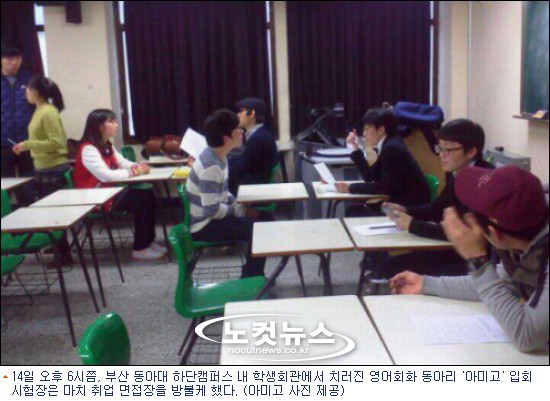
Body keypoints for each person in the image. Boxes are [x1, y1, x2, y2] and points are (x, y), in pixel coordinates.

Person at [390, 165, 549, 352]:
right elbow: (500, 283)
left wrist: (477, 260)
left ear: (494, 234)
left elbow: (526, 335)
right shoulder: (527, 233)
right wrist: (426, 284)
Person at [381, 119, 495, 276]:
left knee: (396, 266)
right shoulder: (457, 173)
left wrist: (412, 225)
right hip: (457, 250)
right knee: (391, 263)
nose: (441, 155)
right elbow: (436, 209)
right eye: (440, 148)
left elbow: (463, 232)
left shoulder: (484, 181)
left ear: (471, 152)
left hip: (477, 262)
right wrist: (405, 209)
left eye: (448, 150)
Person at [73, 109, 167, 261]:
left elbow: (122, 162)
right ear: (99, 127)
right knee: (142, 200)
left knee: (148, 195)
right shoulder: (88, 149)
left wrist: (137, 166)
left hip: (108, 193)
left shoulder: (106, 145)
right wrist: (134, 172)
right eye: (111, 122)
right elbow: (106, 176)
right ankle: (140, 249)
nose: (116, 125)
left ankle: (147, 241)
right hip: (95, 199)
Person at [186, 109, 267, 278]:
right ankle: (251, 278)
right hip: (205, 226)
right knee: (257, 230)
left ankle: (254, 274)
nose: (241, 131)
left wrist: (237, 203)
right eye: (237, 129)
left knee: (265, 218)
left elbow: (223, 193)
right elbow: (212, 210)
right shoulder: (211, 166)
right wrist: (237, 210)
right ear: (226, 138)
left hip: (213, 217)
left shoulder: (220, 156)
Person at [11, 75, 72, 265]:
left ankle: (64, 255)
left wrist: (28, 144)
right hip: (45, 168)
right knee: (51, 212)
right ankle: (60, 248)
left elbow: (57, 143)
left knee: (55, 214)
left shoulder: (48, 112)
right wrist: (26, 146)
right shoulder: (39, 110)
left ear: (36, 92)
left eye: (27, 90)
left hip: (53, 169)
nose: (26, 94)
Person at [337, 107, 430, 216]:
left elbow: (385, 187)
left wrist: (351, 188)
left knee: (354, 212)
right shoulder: (390, 143)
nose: (364, 133)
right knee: (355, 210)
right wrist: (355, 147)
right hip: (402, 202)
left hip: (408, 207)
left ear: (381, 130)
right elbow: (370, 177)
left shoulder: (392, 149)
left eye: (367, 128)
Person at [1, 41, 35, 206]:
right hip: (3, 144)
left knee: (28, 186)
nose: (13, 62)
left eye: (17, 58)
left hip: (26, 142)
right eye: (9, 58)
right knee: (4, 187)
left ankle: (29, 217)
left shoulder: (29, 79)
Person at [228, 97, 279, 195]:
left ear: (251, 114)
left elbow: (243, 166)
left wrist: (222, 162)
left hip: (255, 187)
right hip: (255, 181)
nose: (238, 115)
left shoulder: (258, 138)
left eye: (241, 112)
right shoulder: (260, 133)